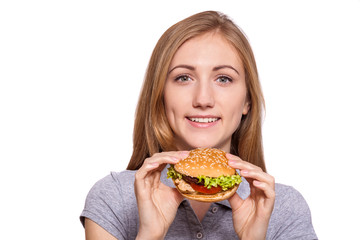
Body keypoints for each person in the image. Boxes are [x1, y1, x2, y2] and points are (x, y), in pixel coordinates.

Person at [80, 11, 317, 239]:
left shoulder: (284, 208)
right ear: (160, 95)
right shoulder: (114, 198)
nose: (203, 99)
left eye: (223, 79)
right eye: (184, 78)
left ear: (247, 100)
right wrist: (150, 235)